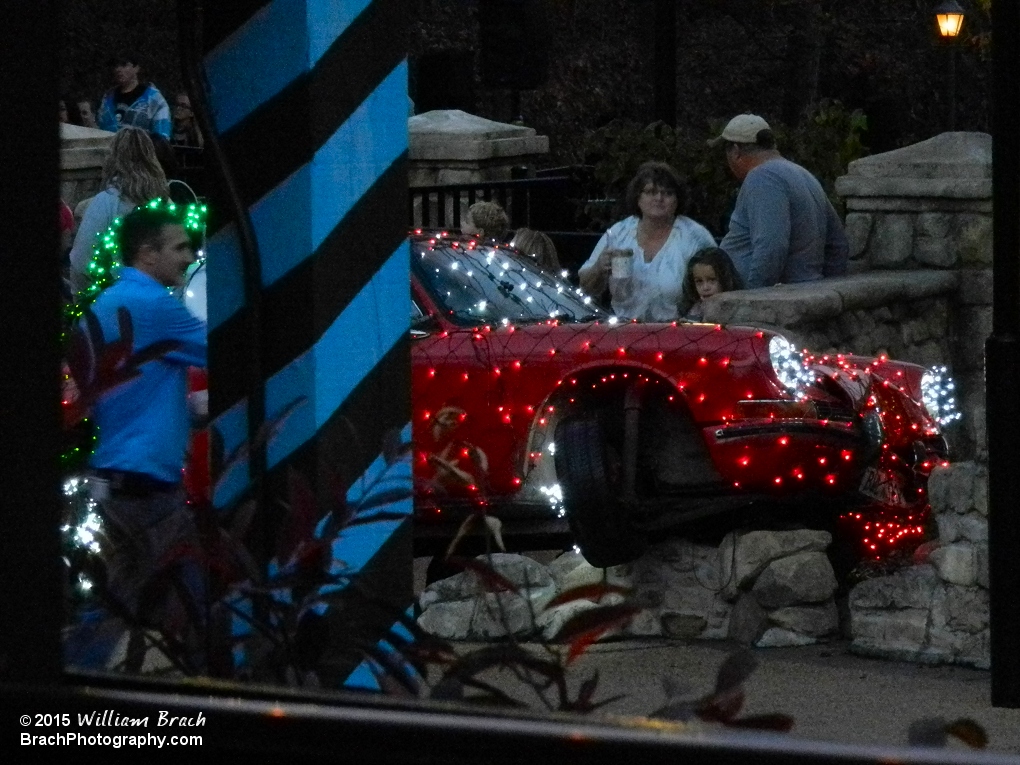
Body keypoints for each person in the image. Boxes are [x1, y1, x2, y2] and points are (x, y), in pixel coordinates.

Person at [73, 203, 206, 642]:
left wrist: (185, 410)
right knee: (193, 609)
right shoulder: (152, 305)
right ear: (148, 255)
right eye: (179, 247)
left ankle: (79, 682)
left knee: (115, 603)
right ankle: (208, 702)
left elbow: (124, 392)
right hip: (148, 484)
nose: (189, 257)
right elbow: (229, 345)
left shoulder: (106, 302)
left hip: (112, 477)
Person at [710, 113, 849, 289]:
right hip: (804, 293)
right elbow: (837, 244)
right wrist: (823, 291)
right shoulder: (802, 174)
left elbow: (771, 248)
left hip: (771, 305)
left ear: (736, 151)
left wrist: (752, 297)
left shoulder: (762, 178)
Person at [578, 161, 715, 322]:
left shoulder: (695, 236)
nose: (659, 198)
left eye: (668, 193)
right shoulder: (618, 233)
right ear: (638, 197)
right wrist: (599, 268)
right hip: (624, 333)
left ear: (677, 200)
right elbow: (585, 287)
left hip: (679, 334)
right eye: (651, 192)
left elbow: (720, 284)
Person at [68, 127, 170, 294]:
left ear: (113, 158)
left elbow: (81, 261)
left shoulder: (107, 201)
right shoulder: (165, 202)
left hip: (115, 300)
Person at [96, 52, 172, 139]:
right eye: (115, 66)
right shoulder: (108, 98)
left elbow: (162, 136)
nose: (118, 69)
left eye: (124, 65)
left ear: (136, 68)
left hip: (141, 151)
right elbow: (99, 128)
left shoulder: (154, 99)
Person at [678, 246, 744, 321]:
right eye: (699, 281)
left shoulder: (738, 311)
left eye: (712, 280)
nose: (705, 287)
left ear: (726, 280)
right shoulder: (693, 311)